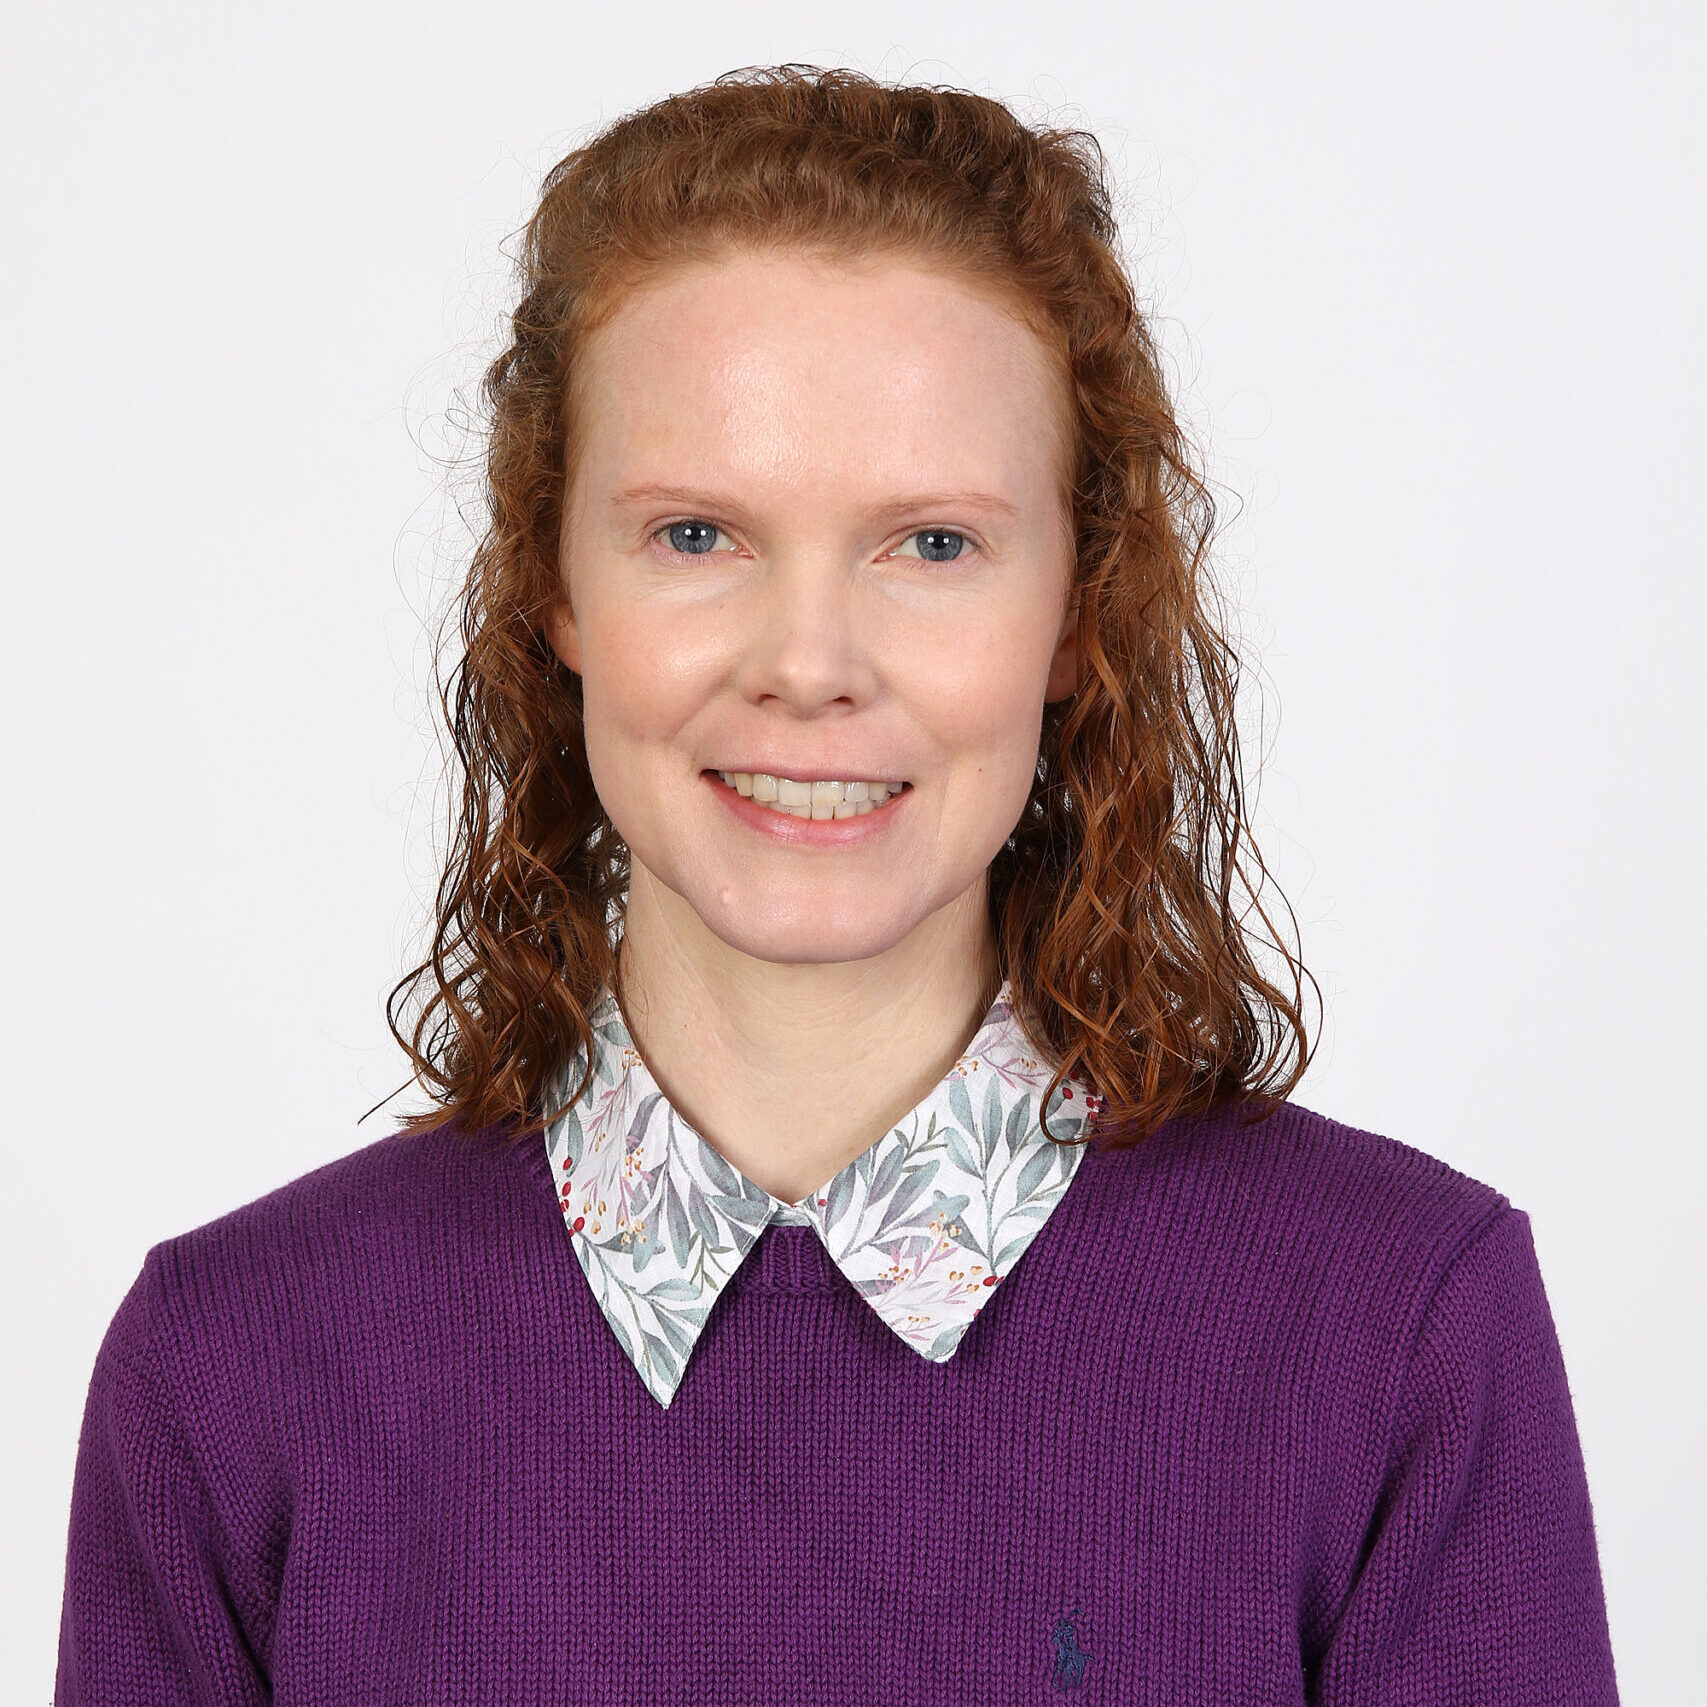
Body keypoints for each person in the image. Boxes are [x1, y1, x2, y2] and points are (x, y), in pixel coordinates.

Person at [54, 65, 1621, 1704]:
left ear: (1077, 608)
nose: (809, 665)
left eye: (933, 544)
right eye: (696, 535)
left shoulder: (1397, 1329)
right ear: (553, 586)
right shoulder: (232, 1371)